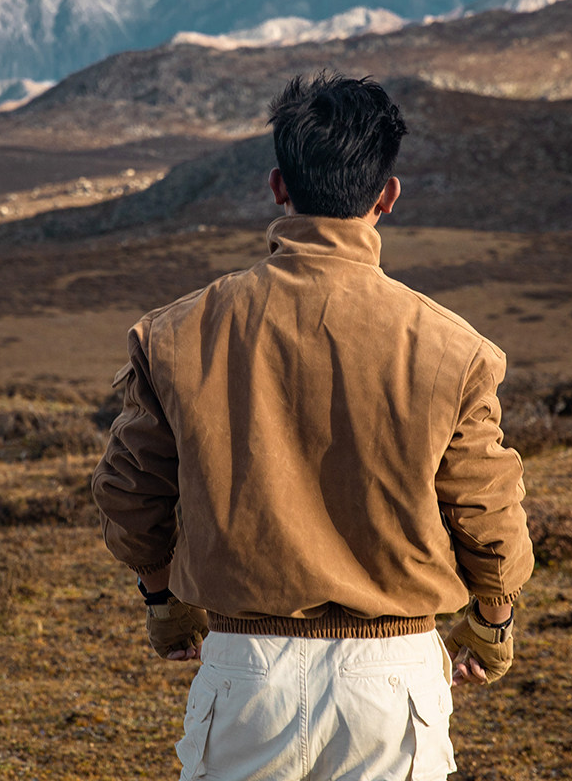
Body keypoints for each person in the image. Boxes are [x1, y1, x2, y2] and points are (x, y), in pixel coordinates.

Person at [92, 71, 534, 781]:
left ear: (278, 187)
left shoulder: (176, 333)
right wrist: (494, 618)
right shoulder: (454, 349)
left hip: (244, 674)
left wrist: (161, 598)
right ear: (386, 196)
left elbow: (130, 493)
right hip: (393, 684)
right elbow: (488, 510)